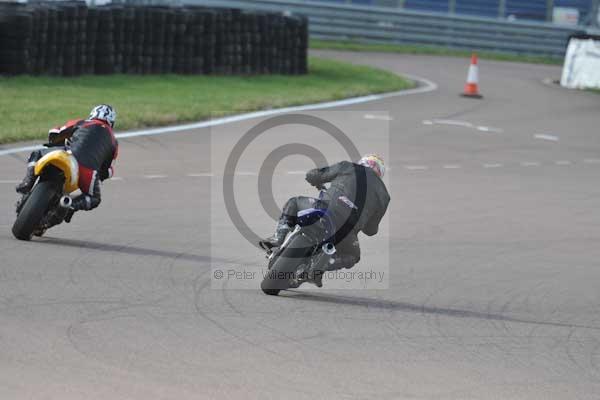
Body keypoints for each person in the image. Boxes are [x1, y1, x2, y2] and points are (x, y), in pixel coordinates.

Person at [260, 154, 390, 284]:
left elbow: (313, 175)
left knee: (294, 202)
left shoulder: (348, 167)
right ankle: (324, 265)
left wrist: (315, 180)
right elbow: (371, 230)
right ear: (380, 173)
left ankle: (278, 237)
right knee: (353, 256)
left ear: (362, 163)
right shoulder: (384, 196)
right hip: (347, 231)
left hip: (325, 210)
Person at [16, 104, 119, 223]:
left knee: (36, 154)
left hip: (69, 155)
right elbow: (108, 170)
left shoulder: (82, 122)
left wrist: (53, 141)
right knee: (94, 198)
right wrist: (100, 176)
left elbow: (56, 131)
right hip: (88, 170)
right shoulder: (114, 143)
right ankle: (70, 206)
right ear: (112, 122)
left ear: (92, 114)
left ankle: (28, 182)